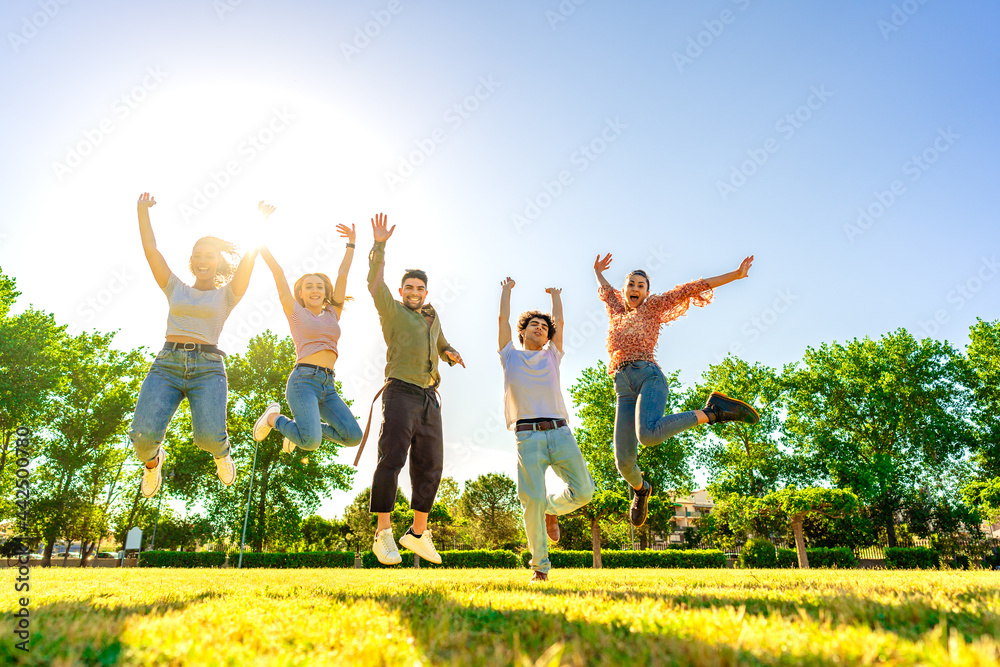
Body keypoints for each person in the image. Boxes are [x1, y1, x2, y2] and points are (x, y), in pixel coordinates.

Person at [593, 252, 760, 527]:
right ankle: (641, 489)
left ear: (648, 292)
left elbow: (692, 288)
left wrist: (736, 274)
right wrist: (597, 271)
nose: (635, 288)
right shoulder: (616, 309)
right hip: (623, 386)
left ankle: (713, 411)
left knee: (647, 435)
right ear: (624, 290)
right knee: (623, 462)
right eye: (631, 284)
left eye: (640, 285)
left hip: (649, 376)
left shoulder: (654, 306)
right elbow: (604, 289)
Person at [129, 193, 264, 498]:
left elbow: (250, 257)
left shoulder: (228, 294)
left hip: (207, 369)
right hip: (167, 365)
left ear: (218, 262)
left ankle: (221, 453)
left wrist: (261, 222)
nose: (203, 260)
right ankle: (153, 464)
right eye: (198, 255)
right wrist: (142, 210)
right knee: (142, 439)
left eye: (210, 256)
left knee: (209, 438)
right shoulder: (175, 287)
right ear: (192, 261)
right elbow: (150, 249)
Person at [364, 213, 464, 566]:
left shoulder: (432, 316)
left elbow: (439, 341)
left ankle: (418, 534)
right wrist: (379, 245)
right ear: (402, 290)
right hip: (400, 392)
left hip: (429, 397)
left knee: (431, 464)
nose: (415, 292)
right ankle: (383, 533)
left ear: (426, 292)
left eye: (420, 289)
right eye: (409, 288)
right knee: (391, 459)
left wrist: (449, 353)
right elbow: (375, 283)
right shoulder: (391, 311)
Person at [498, 278, 594, 582]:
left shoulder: (552, 355)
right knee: (531, 500)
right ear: (522, 332)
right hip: (527, 437)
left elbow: (561, 321)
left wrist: (555, 297)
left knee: (585, 492)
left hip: (560, 432)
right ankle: (540, 566)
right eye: (534, 325)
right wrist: (506, 291)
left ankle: (553, 509)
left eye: (544, 326)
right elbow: (501, 319)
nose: (540, 328)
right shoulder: (509, 356)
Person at [251, 217, 363, 455]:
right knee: (311, 443)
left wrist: (351, 244)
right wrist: (258, 229)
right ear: (300, 293)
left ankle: (301, 429)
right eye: (309, 286)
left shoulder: (333, 312)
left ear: (326, 293)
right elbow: (278, 272)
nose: (314, 290)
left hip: (328, 384)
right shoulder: (295, 313)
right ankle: (274, 418)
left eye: (319, 286)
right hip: (303, 381)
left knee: (353, 436)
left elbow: (342, 275)